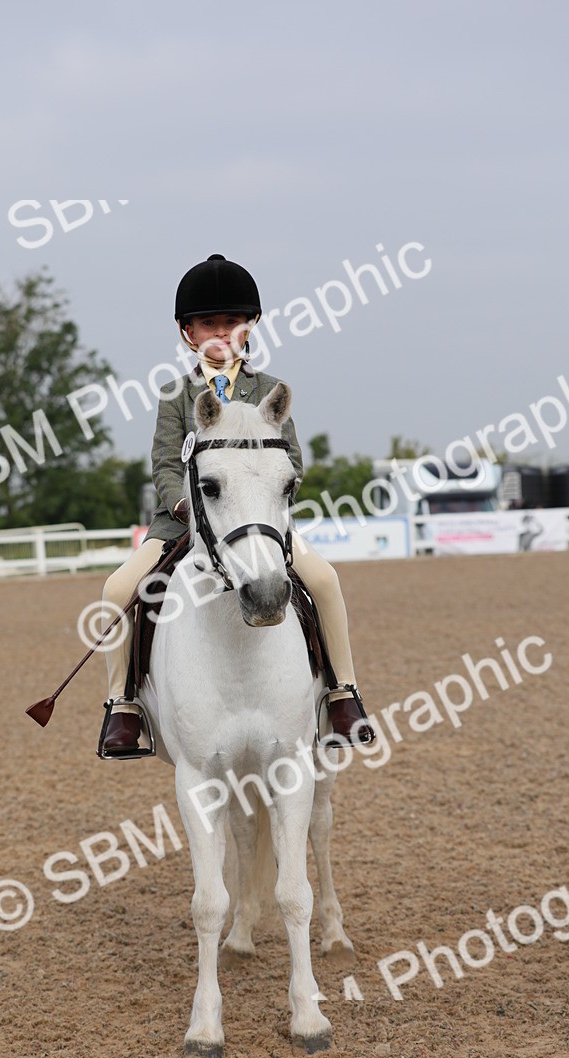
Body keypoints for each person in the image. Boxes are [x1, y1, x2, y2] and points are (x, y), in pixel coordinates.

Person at [99, 253, 375, 756]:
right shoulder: (176, 395)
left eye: (232, 322)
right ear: (187, 331)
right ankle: (123, 705)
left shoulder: (269, 391)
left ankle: (343, 694)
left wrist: (265, 503)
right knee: (117, 588)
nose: (220, 333)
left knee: (326, 581)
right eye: (209, 323)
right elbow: (164, 464)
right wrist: (186, 507)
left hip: (258, 521)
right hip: (182, 522)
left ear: (250, 326)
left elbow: (290, 459)